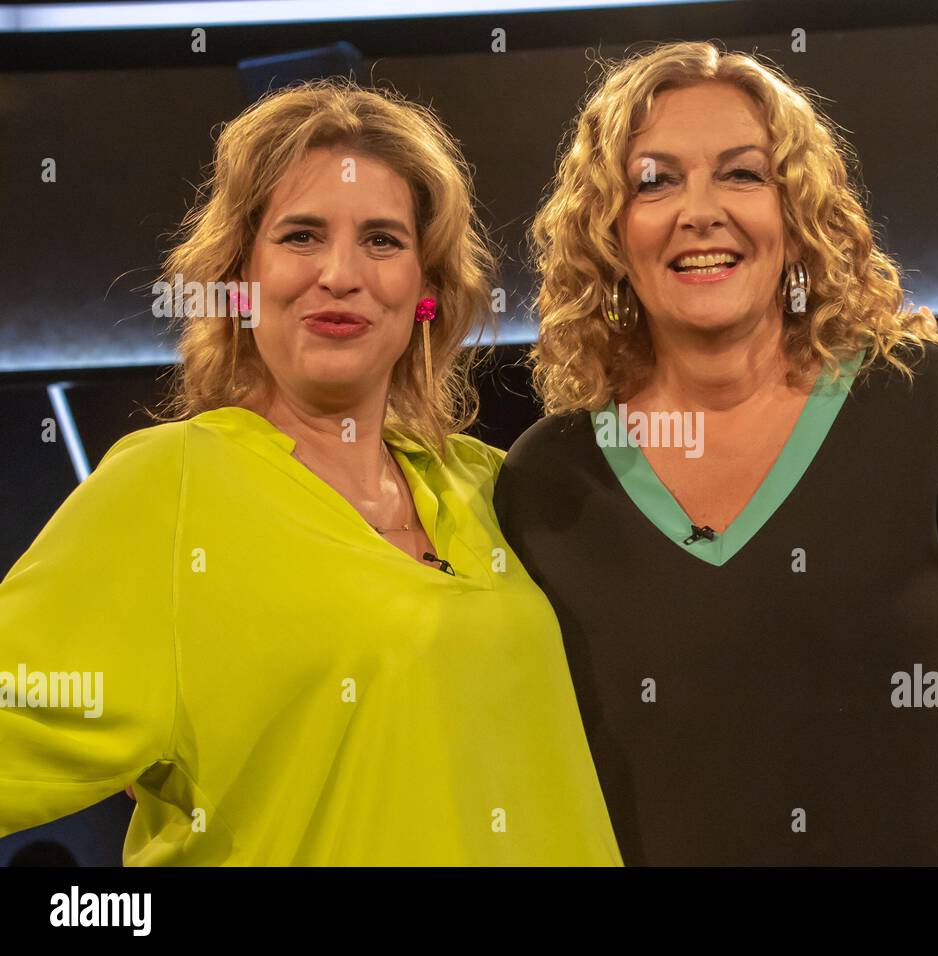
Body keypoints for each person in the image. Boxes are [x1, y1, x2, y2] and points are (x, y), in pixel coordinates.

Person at [495, 41, 938, 865]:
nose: (700, 211)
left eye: (742, 174)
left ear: (796, 221)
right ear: (610, 232)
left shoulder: (932, 406)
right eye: (655, 181)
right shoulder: (543, 481)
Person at [0, 79, 620, 866]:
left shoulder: (503, 488)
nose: (339, 273)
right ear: (239, 280)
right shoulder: (172, 486)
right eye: (300, 236)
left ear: (426, 293)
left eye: (382, 241)